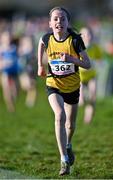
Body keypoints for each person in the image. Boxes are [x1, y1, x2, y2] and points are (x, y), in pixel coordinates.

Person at [37, 7, 91, 176]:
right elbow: (41, 42)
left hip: (73, 87)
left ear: (68, 23)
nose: (59, 22)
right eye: (55, 19)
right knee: (59, 115)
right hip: (54, 84)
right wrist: (40, 64)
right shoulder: (47, 38)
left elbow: (87, 64)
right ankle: (64, 160)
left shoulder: (75, 40)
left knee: (70, 124)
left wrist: (71, 59)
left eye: (62, 19)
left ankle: (68, 145)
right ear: (50, 23)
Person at [79, 27, 103, 123]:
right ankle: (81, 99)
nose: (87, 36)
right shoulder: (77, 47)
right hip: (79, 77)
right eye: (85, 34)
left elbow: (100, 60)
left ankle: (88, 119)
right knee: (82, 100)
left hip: (91, 76)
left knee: (93, 95)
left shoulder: (95, 47)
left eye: (89, 34)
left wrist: (96, 63)